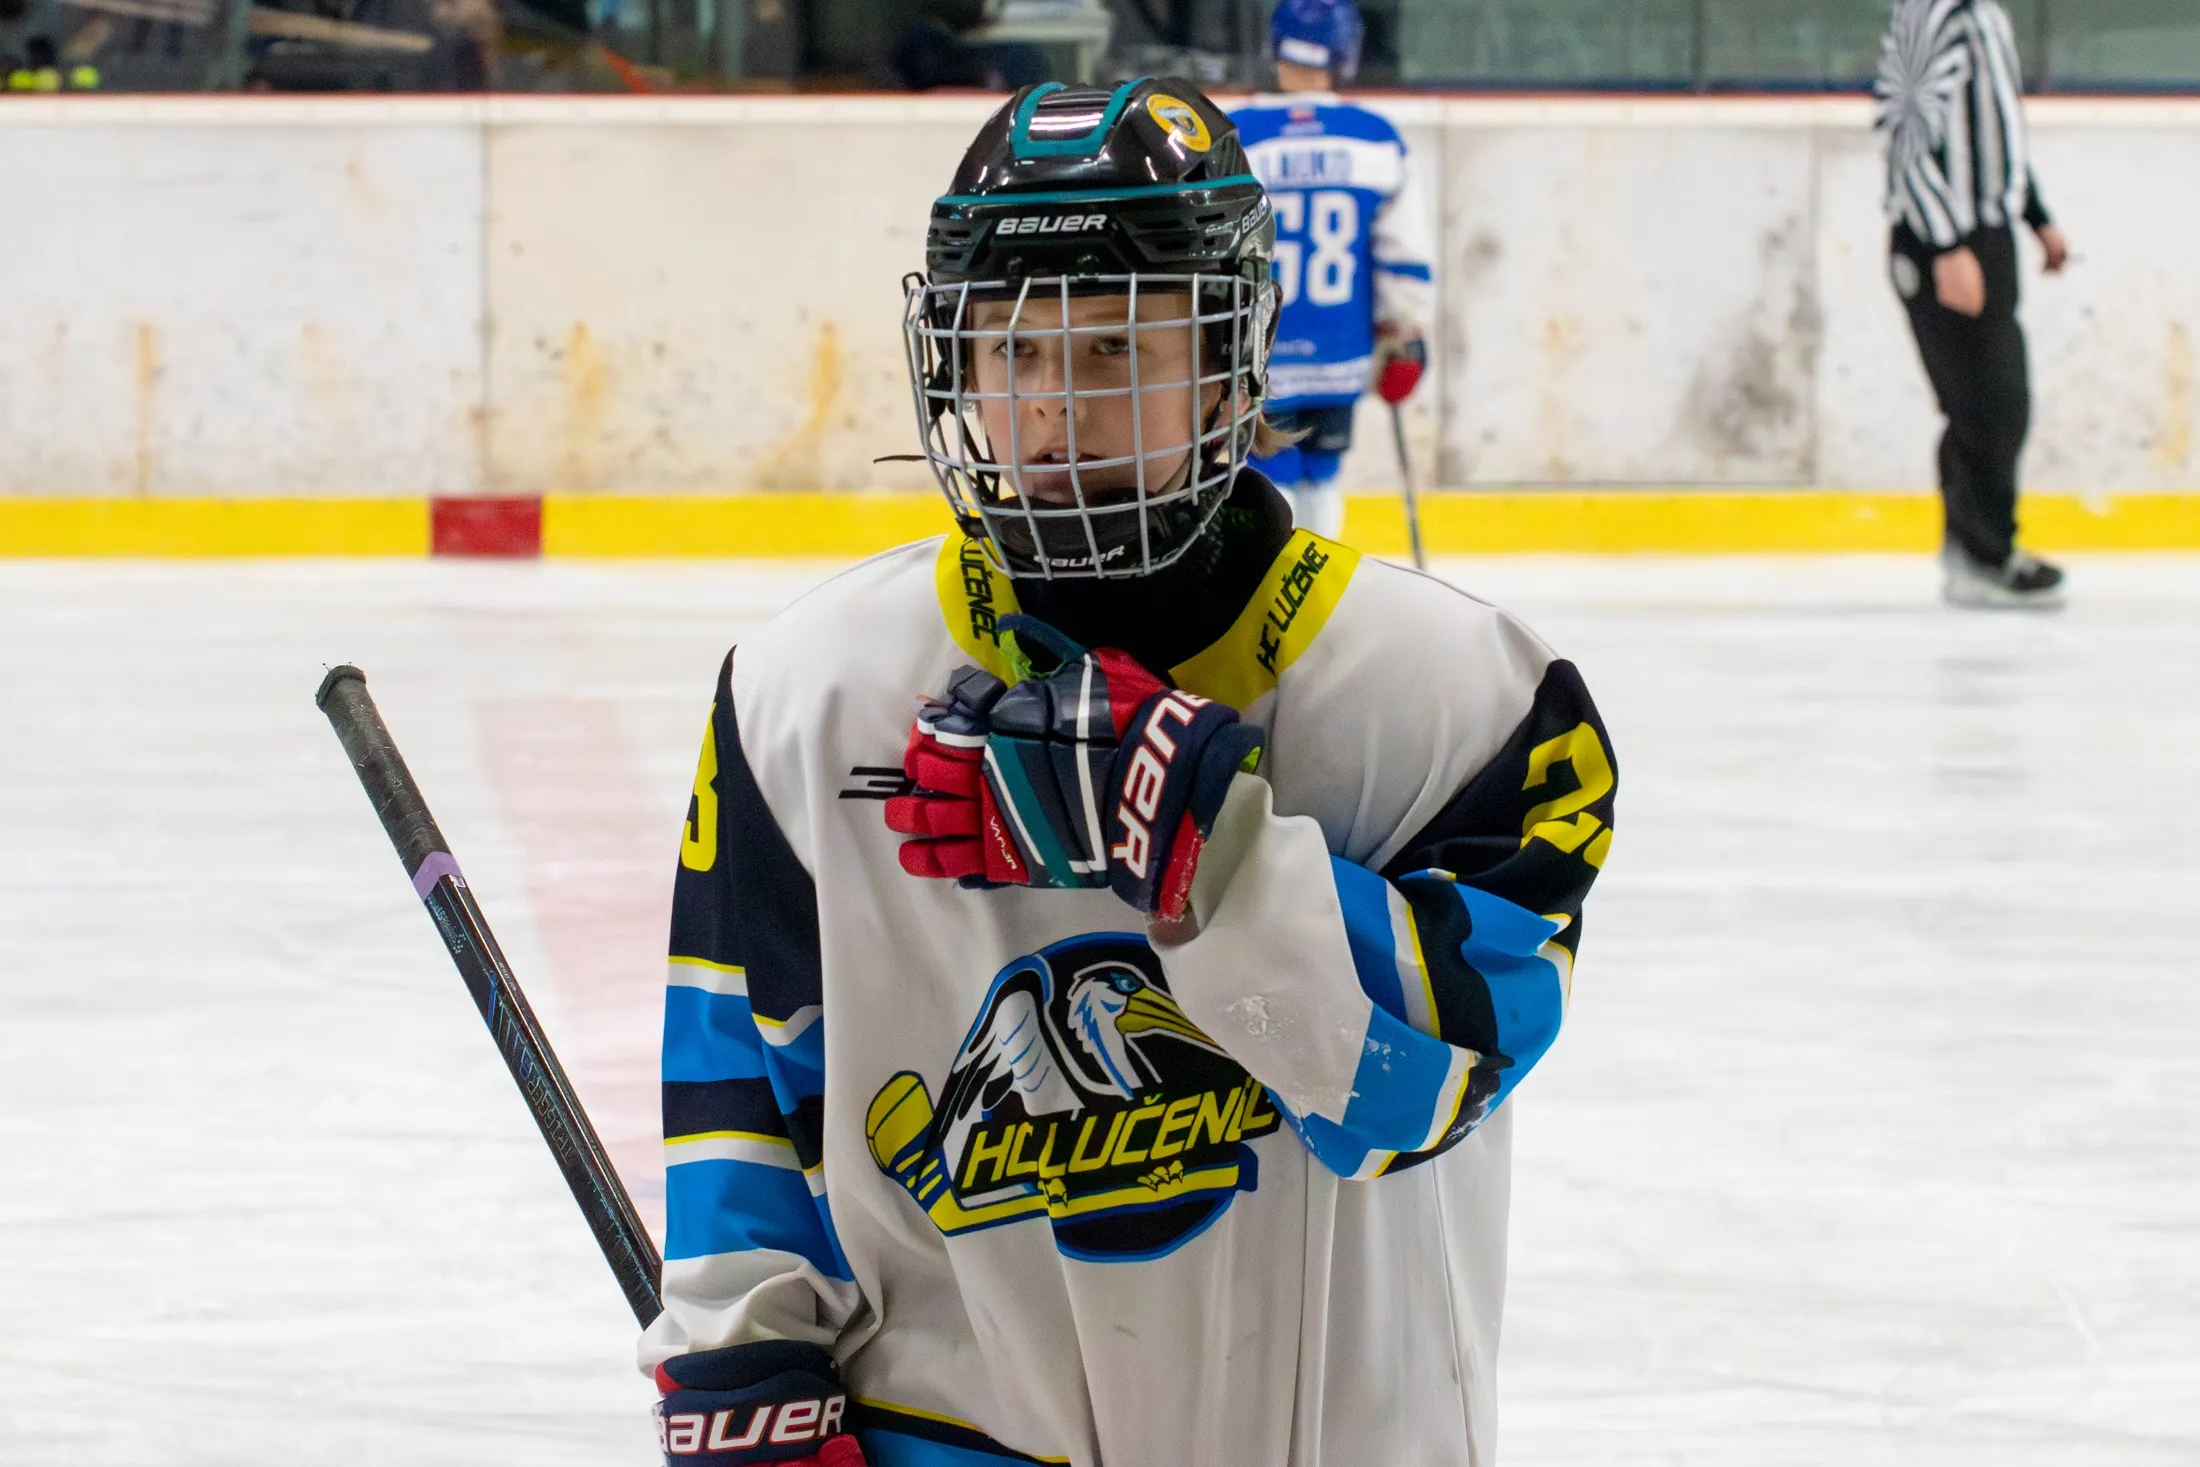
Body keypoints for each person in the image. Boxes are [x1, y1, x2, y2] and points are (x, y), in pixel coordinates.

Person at [642, 78, 1614, 1467]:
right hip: (951, 1434)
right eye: (1011, 350)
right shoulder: (804, 693)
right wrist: (744, 1369)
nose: (1054, 409)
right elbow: (744, 1073)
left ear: (1231, 365)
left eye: (1113, 347)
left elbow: (1421, 1085)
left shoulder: (1462, 695)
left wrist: (1215, 846)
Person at [1875, 0, 2072, 609]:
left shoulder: (1985, 12)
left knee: (1996, 402)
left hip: (1984, 236)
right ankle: (1981, 555)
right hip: (1946, 242)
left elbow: (1994, 129)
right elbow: (1904, 130)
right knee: (1986, 404)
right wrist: (1945, 247)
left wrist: (2036, 215)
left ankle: (1977, 548)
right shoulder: (1937, 12)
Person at [1227, 0, 1432, 541]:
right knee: (1324, 474)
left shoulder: (1236, 136)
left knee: (1270, 474)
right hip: (1341, 352)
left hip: (1260, 354)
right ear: (1344, 54)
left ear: (1277, 48)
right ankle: (1323, 580)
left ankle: (1275, 578)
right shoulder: (1373, 137)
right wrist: (1405, 330)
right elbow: (1404, 253)